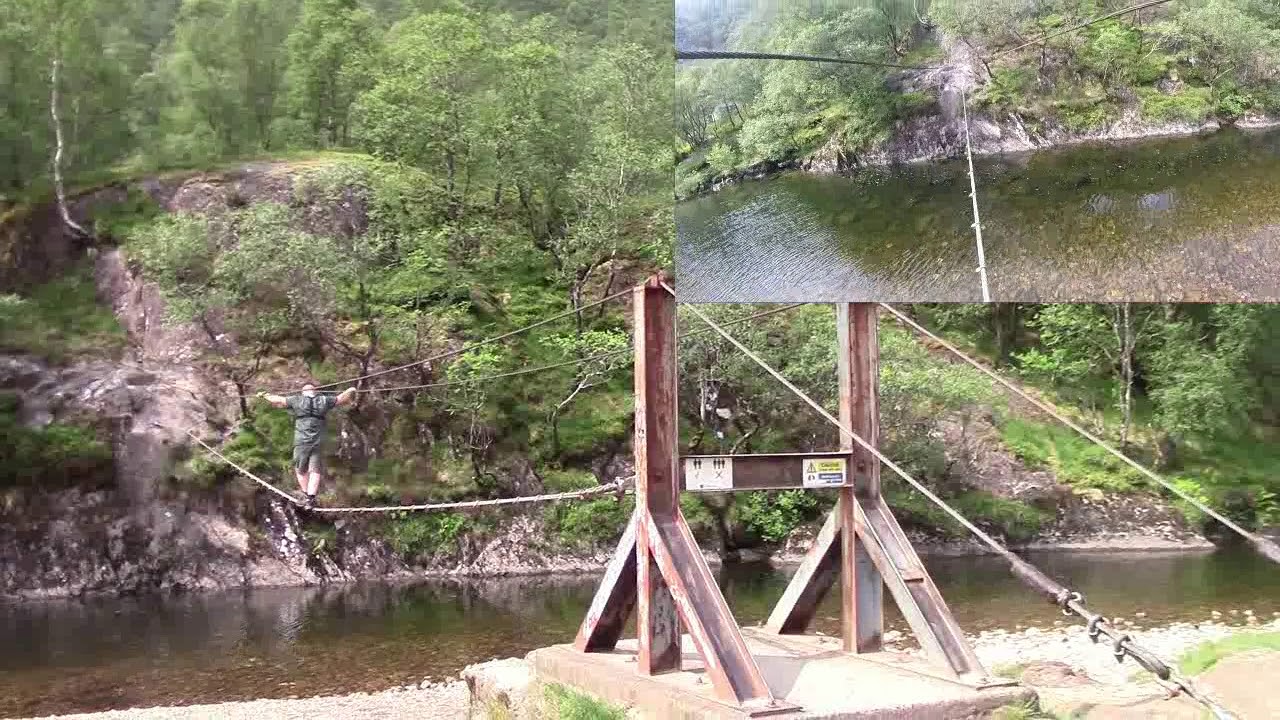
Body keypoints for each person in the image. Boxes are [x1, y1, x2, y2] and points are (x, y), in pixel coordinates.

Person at [258, 383, 357, 507]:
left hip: (302, 441)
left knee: (300, 469)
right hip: (318, 441)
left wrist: (264, 395)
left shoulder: (297, 400)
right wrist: (351, 390)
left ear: (303, 392)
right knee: (315, 470)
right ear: (314, 391)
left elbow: (278, 399)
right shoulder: (324, 400)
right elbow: (341, 398)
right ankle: (311, 498)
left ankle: (305, 493)